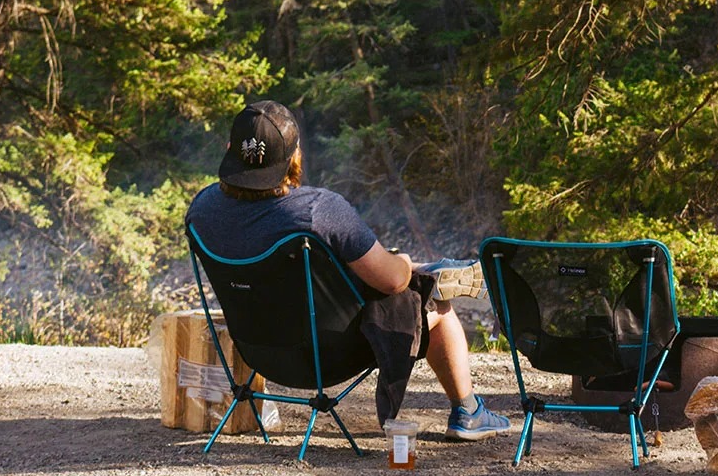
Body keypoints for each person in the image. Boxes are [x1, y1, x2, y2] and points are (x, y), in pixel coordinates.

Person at [186, 100, 511, 441]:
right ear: (295, 157)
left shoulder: (202, 210)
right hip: (329, 357)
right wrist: (403, 262)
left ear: (229, 151)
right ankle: (469, 412)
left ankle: (421, 272)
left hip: (257, 351)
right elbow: (393, 281)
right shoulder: (318, 211)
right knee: (433, 301)